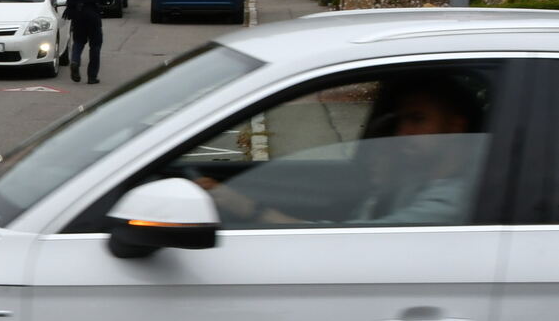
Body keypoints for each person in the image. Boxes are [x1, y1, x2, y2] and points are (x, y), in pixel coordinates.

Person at [196, 74, 483, 226]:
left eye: (417, 119)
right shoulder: (417, 178)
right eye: (401, 121)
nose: (402, 133)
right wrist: (382, 184)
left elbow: (349, 243)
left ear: (455, 126)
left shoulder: (448, 202)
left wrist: (248, 208)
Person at [63, 0, 109, 85]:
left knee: (78, 40)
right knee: (95, 44)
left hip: (76, 12)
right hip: (92, 11)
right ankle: (92, 77)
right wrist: (101, 1)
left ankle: (75, 61)